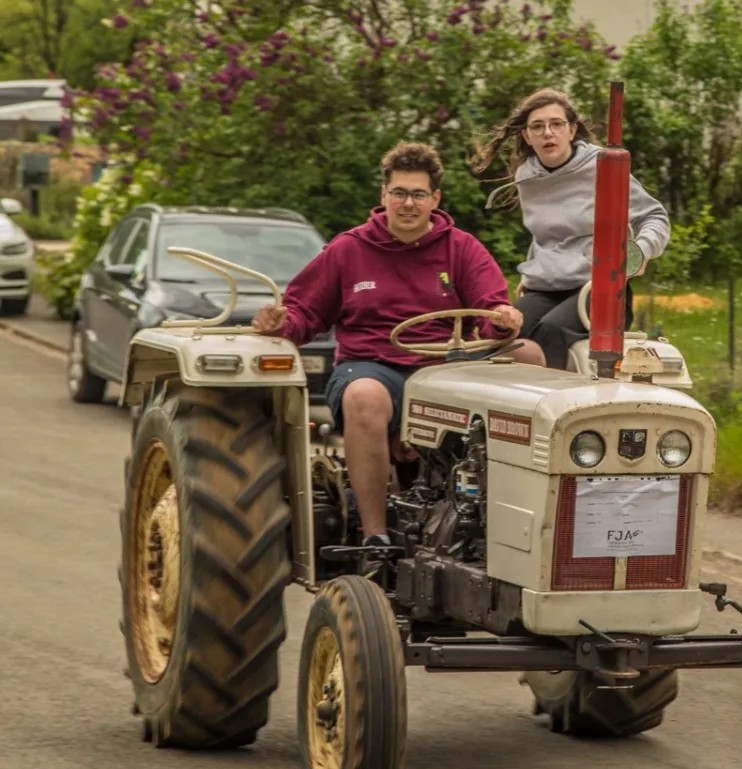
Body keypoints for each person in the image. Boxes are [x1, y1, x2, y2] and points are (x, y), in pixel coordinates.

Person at [252, 141, 546, 555]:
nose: (408, 203)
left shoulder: (460, 248)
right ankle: (375, 537)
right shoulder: (348, 249)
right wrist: (281, 324)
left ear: (435, 199)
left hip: (447, 366)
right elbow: (303, 314)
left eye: (419, 194)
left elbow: (489, 311)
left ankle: (511, 518)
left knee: (528, 356)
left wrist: (502, 319)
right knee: (364, 397)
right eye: (399, 193)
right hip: (373, 366)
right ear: (383, 195)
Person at [471, 87, 671, 370]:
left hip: (596, 287)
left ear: (572, 130)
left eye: (556, 124)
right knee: (507, 333)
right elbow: (545, 231)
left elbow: (654, 216)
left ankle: (556, 410)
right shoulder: (526, 174)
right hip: (545, 287)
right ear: (527, 136)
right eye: (537, 127)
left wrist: (640, 252)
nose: (547, 133)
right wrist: (533, 268)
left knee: (550, 333)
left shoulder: (604, 165)